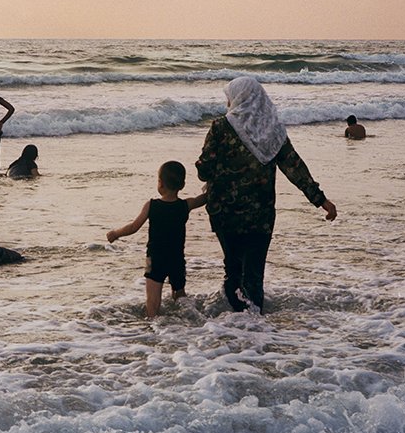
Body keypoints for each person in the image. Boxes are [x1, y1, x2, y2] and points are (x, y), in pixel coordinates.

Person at [196, 77, 337, 314]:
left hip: (225, 213)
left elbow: (204, 171)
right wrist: (321, 200)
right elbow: (295, 168)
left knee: (232, 269)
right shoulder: (274, 132)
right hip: (260, 215)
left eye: (229, 97)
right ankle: (255, 327)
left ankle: (234, 328)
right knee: (254, 274)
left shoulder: (221, 127)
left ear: (238, 98)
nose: (228, 102)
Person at [106, 161, 207, 318]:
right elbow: (203, 199)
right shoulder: (185, 205)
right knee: (180, 296)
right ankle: (186, 325)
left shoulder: (151, 205)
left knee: (152, 302)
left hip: (156, 258)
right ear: (182, 185)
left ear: (160, 183)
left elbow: (133, 227)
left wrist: (115, 233)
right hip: (177, 258)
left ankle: (154, 330)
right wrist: (213, 186)